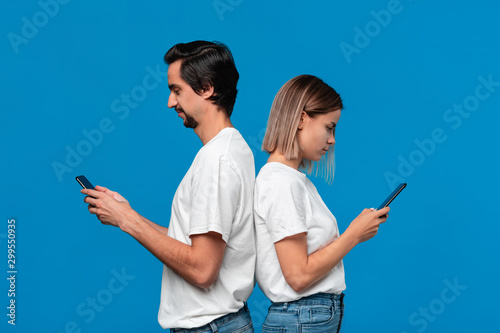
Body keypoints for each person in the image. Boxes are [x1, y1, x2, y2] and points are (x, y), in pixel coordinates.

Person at [81, 41, 255, 332]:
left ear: (207, 88)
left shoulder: (217, 162)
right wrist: (127, 214)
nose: (170, 102)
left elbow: (202, 270)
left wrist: (128, 220)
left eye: (177, 90)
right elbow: (192, 243)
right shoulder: (232, 149)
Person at [254, 75, 390, 332]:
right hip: (302, 317)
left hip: (307, 317)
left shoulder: (294, 181)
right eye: (329, 127)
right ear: (302, 119)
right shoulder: (282, 183)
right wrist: (353, 235)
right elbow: (298, 276)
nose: (332, 139)